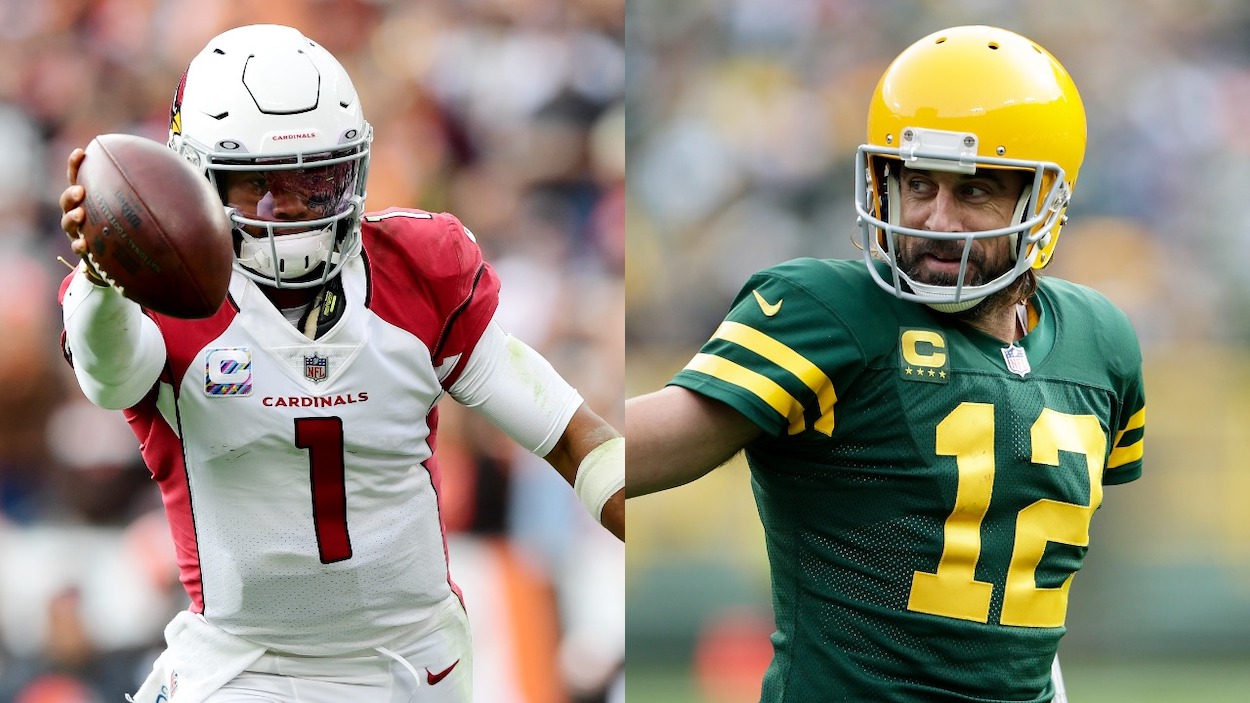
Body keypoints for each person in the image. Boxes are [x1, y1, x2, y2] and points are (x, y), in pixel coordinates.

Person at [56, 23, 624, 703]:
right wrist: (104, 270)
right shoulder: (155, 296)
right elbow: (110, 375)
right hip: (244, 663)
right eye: (263, 185)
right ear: (196, 182)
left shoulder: (420, 270)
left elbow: (568, 432)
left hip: (408, 662)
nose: (293, 208)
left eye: (318, 179)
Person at [626, 25, 1145, 703]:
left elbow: (1027, 588)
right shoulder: (831, 311)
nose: (936, 217)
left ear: (1044, 204)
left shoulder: (1100, 342)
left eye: (974, 192)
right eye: (919, 184)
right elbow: (634, 445)